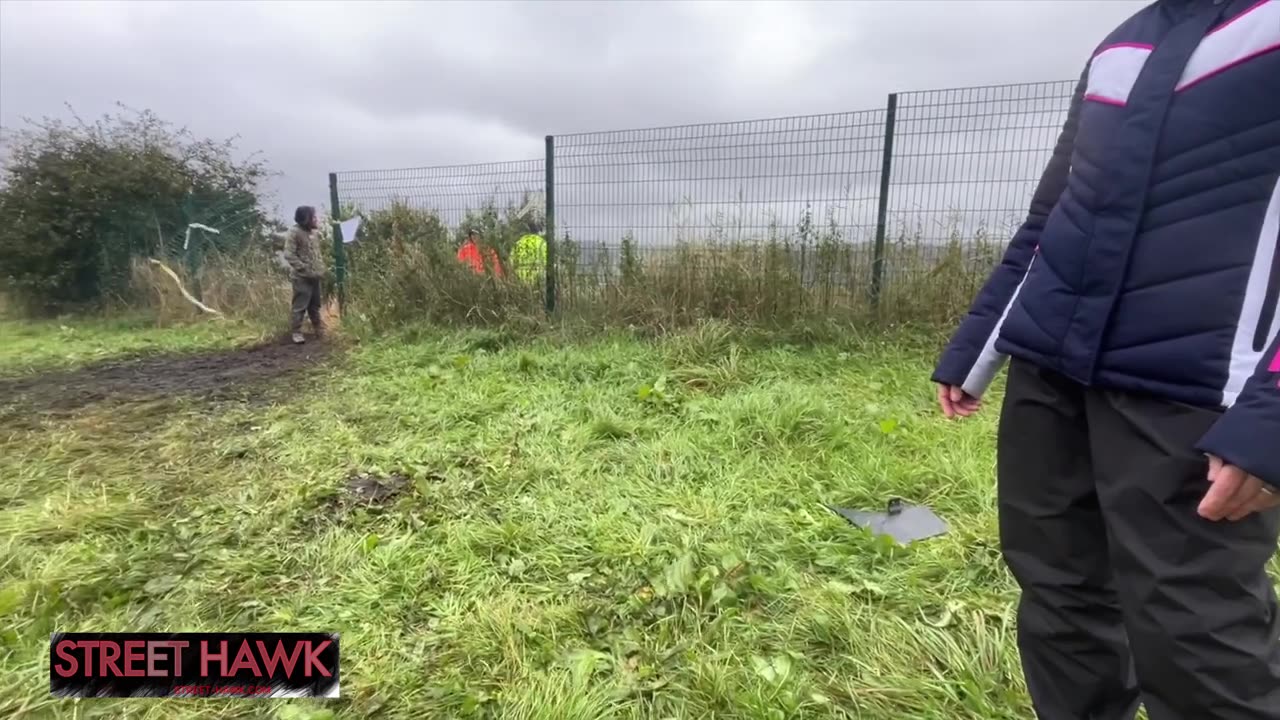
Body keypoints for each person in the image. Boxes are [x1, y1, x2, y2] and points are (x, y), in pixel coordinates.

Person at [932, 1, 1280, 718]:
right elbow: (1053, 212)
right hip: (1051, 371)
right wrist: (974, 349)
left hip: (1201, 389)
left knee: (1195, 629)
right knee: (1059, 595)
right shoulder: (1119, 45)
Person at [281, 205, 325, 344]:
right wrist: (304, 268)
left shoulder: (314, 233)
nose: (316, 219)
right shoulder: (294, 233)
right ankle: (296, 332)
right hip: (302, 277)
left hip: (315, 276)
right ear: (306, 218)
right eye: (313, 217)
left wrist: (320, 269)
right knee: (300, 306)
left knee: (315, 305)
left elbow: (316, 254)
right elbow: (289, 254)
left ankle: (318, 329)